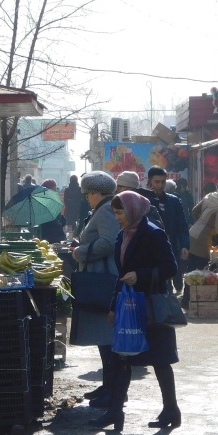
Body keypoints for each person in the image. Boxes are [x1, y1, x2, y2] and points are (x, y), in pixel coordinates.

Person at [89, 190, 180, 432]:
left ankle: (171, 410)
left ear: (132, 211)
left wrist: (141, 275)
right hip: (129, 306)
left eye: (120, 212)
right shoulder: (123, 235)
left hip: (152, 306)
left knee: (160, 360)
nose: (118, 217)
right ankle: (115, 412)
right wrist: (112, 307)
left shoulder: (153, 233)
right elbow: (121, 275)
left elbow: (170, 267)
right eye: (116, 212)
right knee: (121, 358)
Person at [71, 171, 121, 407]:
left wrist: (80, 251)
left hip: (104, 277)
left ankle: (114, 391)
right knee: (104, 338)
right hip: (101, 274)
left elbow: (108, 242)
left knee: (107, 337)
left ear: (96, 193)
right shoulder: (103, 209)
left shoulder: (106, 210)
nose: (86, 198)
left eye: (87, 193)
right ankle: (108, 386)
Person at [147, 167, 191, 294]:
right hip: (149, 250)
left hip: (171, 246)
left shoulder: (174, 201)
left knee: (168, 284)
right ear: (150, 181)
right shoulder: (142, 200)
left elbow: (182, 225)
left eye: (163, 182)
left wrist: (185, 245)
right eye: (157, 182)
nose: (160, 185)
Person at [38, 178, 67, 243]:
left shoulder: (52, 202)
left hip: (50, 237)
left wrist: (62, 214)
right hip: (51, 237)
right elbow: (54, 223)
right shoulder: (48, 203)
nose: (56, 191)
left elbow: (61, 222)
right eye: (54, 189)